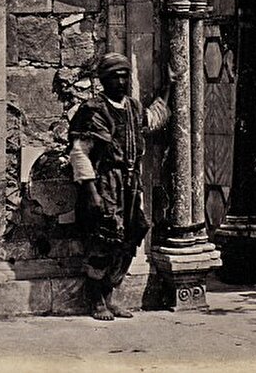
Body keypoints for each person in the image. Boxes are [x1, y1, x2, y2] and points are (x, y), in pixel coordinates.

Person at [68, 52, 168, 321]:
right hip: (106, 184)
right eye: (115, 76)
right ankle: (96, 300)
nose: (121, 80)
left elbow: (152, 119)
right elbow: (79, 152)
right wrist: (91, 192)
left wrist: (167, 90)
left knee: (130, 236)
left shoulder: (133, 107)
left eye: (124, 75)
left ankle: (110, 295)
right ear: (103, 80)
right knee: (104, 239)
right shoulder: (93, 109)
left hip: (131, 186)